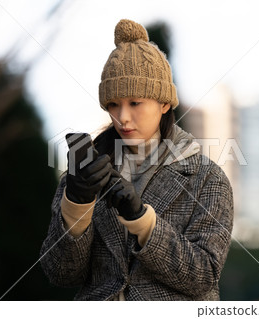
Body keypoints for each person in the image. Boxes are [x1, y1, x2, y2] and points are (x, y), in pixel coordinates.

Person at [40, 19, 234, 301]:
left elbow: (203, 277)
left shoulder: (208, 179)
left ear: (164, 103)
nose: (122, 117)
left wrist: (144, 223)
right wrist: (76, 206)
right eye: (113, 104)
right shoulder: (84, 172)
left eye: (135, 103)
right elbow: (60, 273)